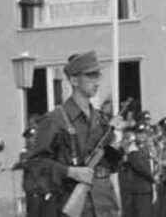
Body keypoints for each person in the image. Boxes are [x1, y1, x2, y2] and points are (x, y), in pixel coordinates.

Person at [26, 50, 124, 216]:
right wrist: (70, 171)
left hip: (105, 203)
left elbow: (113, 166)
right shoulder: (55, 120)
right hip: (74, 203)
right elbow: (35, 165)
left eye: (97, 76)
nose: (97, 82)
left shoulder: (101, 120)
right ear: (73, 80)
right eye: (90, 76)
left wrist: (115, 149)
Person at [121, 123, 158, 216]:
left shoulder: (146, 148)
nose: (143, 135)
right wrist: (154, 178)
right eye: (140, 133)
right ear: (135, 134)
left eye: (144, 133)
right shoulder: (133, 149)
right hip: (139, 191)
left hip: (147, 189)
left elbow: (153, 164)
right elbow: (141, 168)